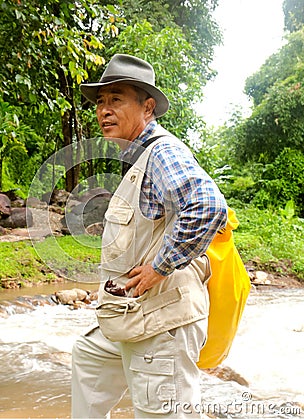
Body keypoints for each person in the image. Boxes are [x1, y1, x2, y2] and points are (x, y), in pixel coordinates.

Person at [72, 54, 227, 418]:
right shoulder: (138, 157)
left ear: (148, 107)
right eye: (100, 102)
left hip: (163, 322)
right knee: (88, 357)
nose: (105, 111)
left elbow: (208, 207)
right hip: (135, 316)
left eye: (117, 99)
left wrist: (159, 267)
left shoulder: (162, 152)